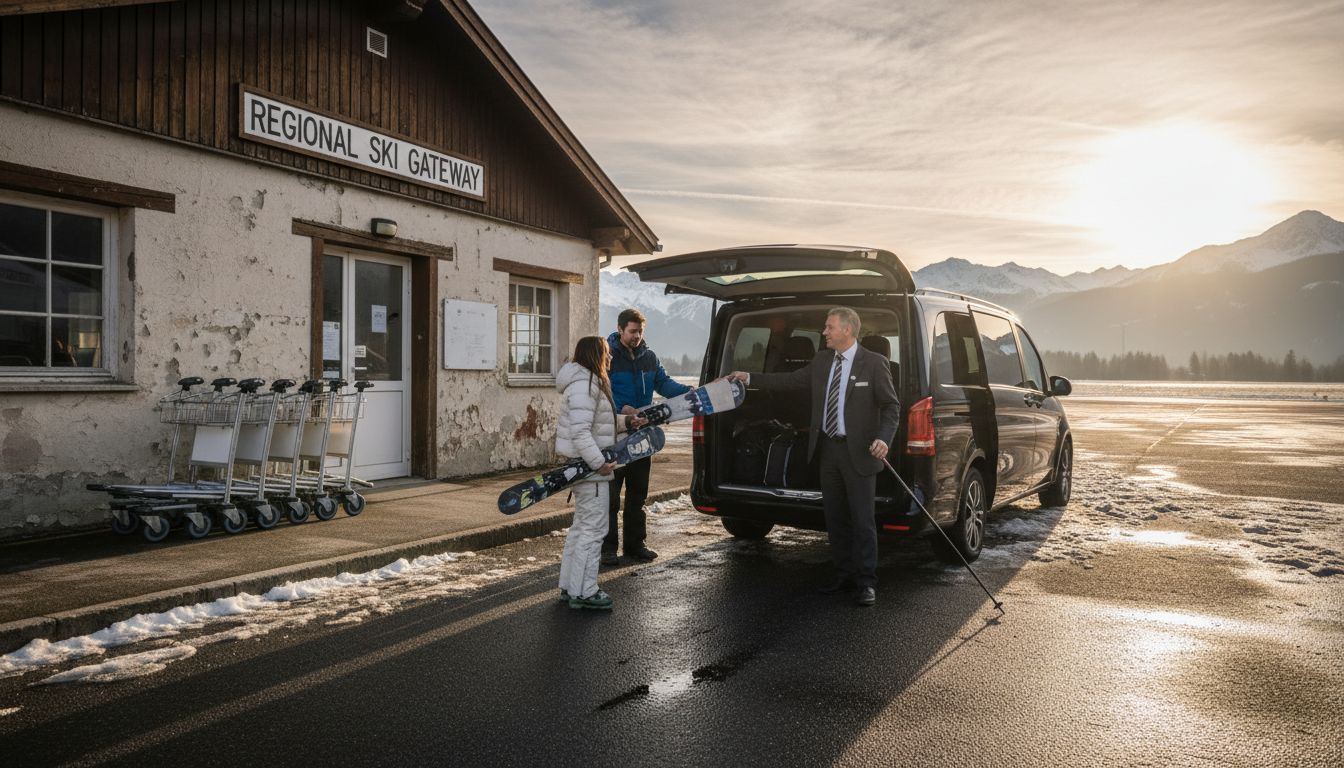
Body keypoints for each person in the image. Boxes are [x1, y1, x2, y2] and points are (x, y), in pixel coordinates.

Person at [728, 307, 899, 607]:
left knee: (862, 520)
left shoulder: (874, 363)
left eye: (829, 327)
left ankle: (866, 582)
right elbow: (788, 380)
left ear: (847, 330)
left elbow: (891, 406)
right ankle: (844, 575)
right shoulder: (822, 361)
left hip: (859, 453)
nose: (824, 332)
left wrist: (884, 439)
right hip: (828, 450)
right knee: (835, 518)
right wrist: (750, 377)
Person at [555, 336, 646, 610]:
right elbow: (581, 432)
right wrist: (598, 463)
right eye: (607, 353)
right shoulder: (585, 386)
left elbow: (597, 423)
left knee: (581, 528)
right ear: (595, 355)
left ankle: (570, 587)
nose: (610, 358)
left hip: (584, 468)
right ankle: (585, 591)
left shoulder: (587, 383)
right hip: (590, 471)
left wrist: (627, 421)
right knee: (594, 530)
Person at [603, 308, 691, 565]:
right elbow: (601, 392)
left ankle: (635, 545)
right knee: (610, 498)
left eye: (640, 332)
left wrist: (689, 392)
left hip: (643, 436)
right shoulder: (608, 357)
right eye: (632, 331)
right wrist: (622, 409)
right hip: (615, 434)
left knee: (638, 494)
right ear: (620, 330)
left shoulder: (649, 357)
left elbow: (665, 384)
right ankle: (607, 549)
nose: (637, 336)